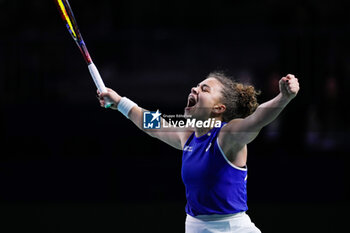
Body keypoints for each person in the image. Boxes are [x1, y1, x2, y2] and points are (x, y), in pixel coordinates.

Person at [97, 71, 300, 233]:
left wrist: (284, 97)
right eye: (196, 86)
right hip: (195, 227)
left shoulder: (227, 137)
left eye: (204, 89)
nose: (194, 89)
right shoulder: (188, 137)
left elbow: (257, 119)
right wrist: (120, 102)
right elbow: (152, 123)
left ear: (219, 108)